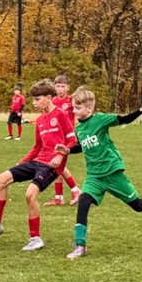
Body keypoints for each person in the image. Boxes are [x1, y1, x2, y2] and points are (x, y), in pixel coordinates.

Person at [62, 88, 142, 259]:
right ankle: (80, 246)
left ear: (89, 108)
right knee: (83, 202)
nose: (74, 111)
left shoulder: (100, 120)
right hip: (94, 176)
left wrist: (140, 111)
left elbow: (122, 119)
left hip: (112, 173)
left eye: (77, 108)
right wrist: (67, 150)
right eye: (73, 108)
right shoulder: (79, 129)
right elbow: (82, 146)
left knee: (138, 206)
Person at [0, 79, 75, 251]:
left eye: (37, 99)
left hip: (53, 165)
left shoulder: (60, 115)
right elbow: (37, 147)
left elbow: (72, 140)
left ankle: (35, 239)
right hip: (37, 161)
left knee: (30, 194)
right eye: (32, 100)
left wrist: (61, 155)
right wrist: (21, 163)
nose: (33, 103)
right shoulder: (40, 120)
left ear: (48, 97)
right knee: (1, 179)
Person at [45, 74, 83, 206]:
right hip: (54, 138)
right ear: (54, 87)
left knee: (57, 165)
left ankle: (74, 190)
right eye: (58, 86)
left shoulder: (71, 102)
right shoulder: (52, 102)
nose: (60, 89)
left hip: (67, 139)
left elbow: (80, 112)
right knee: (57, 166)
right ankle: (59, 197)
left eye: (63, 86)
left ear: (68, 88)